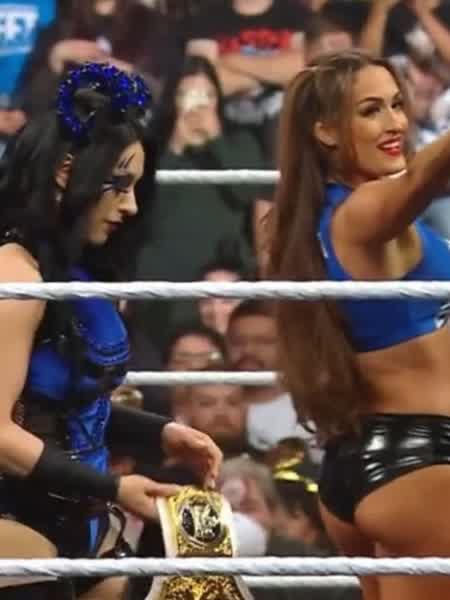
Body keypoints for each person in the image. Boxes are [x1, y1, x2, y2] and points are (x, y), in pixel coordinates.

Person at [0, 61, 222, 600]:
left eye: (136, 186)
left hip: (85, 523)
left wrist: (158, 433)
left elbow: (60, 404)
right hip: (14, 520)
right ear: (65, 171)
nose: (131, 205)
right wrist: (115, 486)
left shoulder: (75, 273)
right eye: (118, 185)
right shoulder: (14, 276)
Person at [269, 48, 450, 600]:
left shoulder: (312, 218)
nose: (394, 123)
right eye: (371, 111)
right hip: (420, 462)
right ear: (325, 130)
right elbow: (424, 176)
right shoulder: (365, 213)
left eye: (397, 104)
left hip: (359, 463)